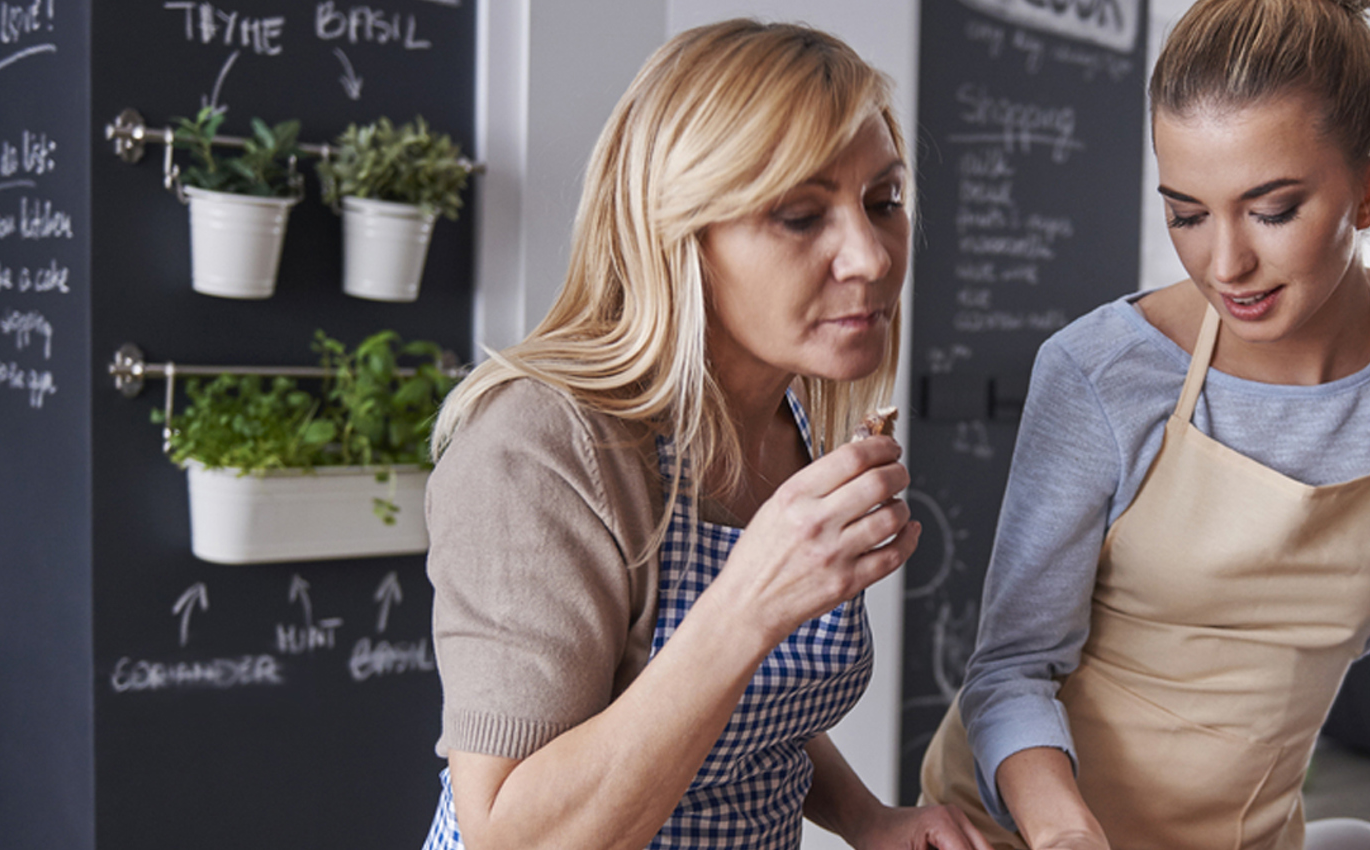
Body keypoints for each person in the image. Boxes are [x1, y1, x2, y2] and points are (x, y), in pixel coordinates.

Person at [919, 1, 1370, 848]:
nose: (1225, 264)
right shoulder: (1101, 370)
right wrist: (1064, 835)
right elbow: (1011, 670)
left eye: (1273, 210)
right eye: (1186, 214)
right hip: (1031, 829)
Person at [420, 20, 991, 850]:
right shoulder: (539, 449)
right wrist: (752, 599)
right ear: (678, 235)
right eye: (801, 215)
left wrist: (868, 818)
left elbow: (746, 713)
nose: (870, 256)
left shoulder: (794, 412)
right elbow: (510, 834)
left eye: (884, 202)